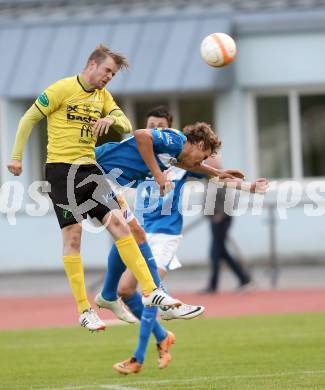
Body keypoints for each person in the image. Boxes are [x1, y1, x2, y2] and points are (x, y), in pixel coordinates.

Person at [6, 44, 181, 332]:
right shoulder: (61, 89)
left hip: (90, 170)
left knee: (119, 225)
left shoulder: (103, 97)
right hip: (61, 171)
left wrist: (111, 118)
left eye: (112, 74)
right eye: (107, 71)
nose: (109, 77)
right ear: (92, 64)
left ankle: (152, 291)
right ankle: (84, 309)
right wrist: (15, 156)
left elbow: (126, 125)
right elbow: (28, 118)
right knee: (73, 238)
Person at [94, 116, 268, 374]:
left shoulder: (180, 159)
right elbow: (143, 141)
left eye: (160, 124)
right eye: (152, 124)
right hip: (143, 226)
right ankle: (162, 334)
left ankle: (138, 357)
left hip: (165, 233)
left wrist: (248, 186)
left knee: (151, 294)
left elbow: (208, 172)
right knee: (126, 290)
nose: (156, 129)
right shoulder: (150, 154)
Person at [202, 186, 252, 293]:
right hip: (214, 220)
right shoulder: (210, 182)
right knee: (222, 253)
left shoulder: (222, 182)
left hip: (221, 221)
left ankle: (213, 285)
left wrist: (221, 215)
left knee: (215, 253)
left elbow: (229, 202)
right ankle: (244, 277)